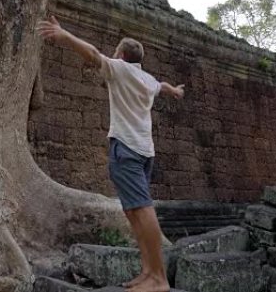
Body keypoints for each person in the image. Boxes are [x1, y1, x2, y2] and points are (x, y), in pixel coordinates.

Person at [37, 16, 185, 292]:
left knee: (142, 208)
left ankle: (159, 278)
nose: (113, 56)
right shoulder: (147, 78)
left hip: (127, 149)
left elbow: (93, 54)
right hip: (144, 151)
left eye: (116, 52)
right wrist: (174, 90)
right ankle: (148, 271)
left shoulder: (119, 69)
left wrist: (64, 34)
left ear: (121, 55)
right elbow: (161, 86)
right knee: (133, 211)